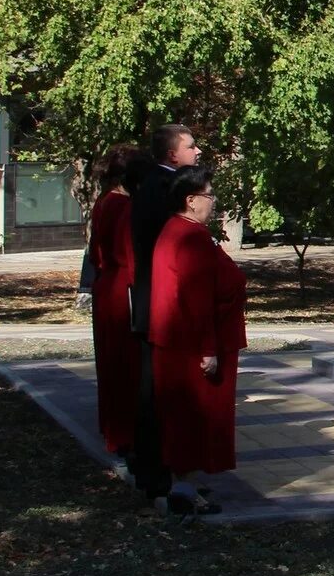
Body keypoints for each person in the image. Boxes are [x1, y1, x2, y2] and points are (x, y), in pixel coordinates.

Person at [148, 166, 245, 517]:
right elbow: (197, 296)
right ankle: (184, 490)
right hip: (192, 346)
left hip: (182, 342)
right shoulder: (188, 237)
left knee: (186, 421)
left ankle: (186, 484)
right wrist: (208, 349)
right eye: (209, 195)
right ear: (191, 201)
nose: (213, 201)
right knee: (192, 421)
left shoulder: (180, 231)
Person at [128, 123, 201, 501]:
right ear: (173, 154)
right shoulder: (161, 188)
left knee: (157, 392)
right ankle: (157, 476)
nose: (197, 151)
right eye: (191, 146)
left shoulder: (154, 184)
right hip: (162, 305)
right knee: (159, 393)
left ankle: (159, 471)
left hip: (154, 301)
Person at [88, 146, 148, 457]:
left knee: (111, 363)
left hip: (107, 287)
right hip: (123, 289)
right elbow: (131, 256)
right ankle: (125, 434)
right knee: (126, 365)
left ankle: (113, 427)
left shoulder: (103, 201)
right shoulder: (123, 206)